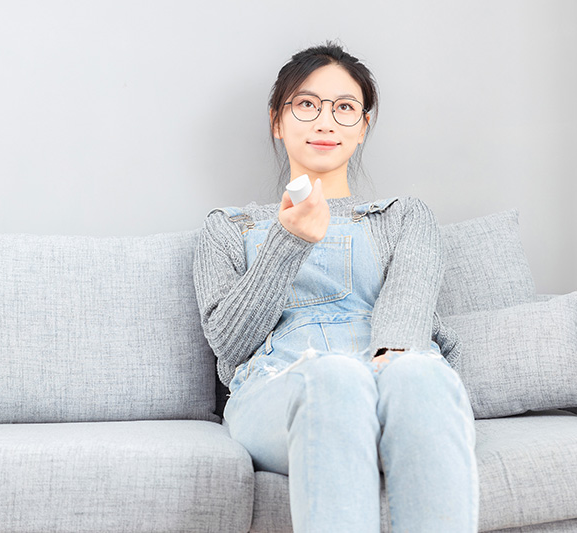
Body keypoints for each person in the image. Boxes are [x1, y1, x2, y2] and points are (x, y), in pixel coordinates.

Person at [192, 40, 479, 532]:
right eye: (306, 104)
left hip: (393, 385)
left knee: (420, 373)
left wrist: (388, 366)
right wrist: (288, 240)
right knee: (334, 377)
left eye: (345, 108)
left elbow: (406, 317)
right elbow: (229, 344)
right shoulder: (228, 227)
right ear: (277, 121)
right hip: (279, 391)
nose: (326, 122)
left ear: (363, 127)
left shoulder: (404, 217)